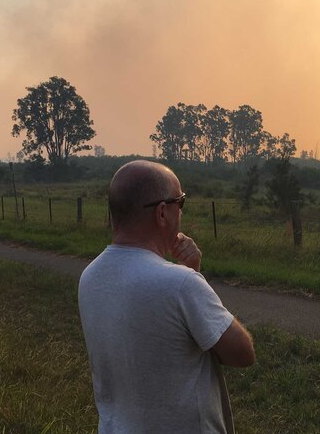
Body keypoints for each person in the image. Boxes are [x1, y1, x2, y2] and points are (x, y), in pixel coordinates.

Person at [78, 160, 255, 434]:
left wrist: (190, 275)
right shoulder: (181, 284)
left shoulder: (90, 277)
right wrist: (195, 277)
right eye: (180, 203)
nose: (180, 212)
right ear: (162, 213)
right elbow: (242, 353)